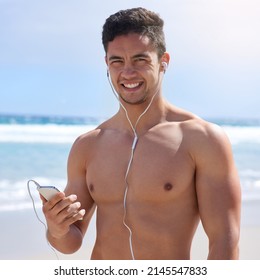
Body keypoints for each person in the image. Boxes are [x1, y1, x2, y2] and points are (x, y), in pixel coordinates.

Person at [41, 7, 241, 260]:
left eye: (140, 59)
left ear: (163, 61)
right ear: (107, 64)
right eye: (117, 61)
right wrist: (56, 229)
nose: (128, 72)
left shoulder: (201, 139)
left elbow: (225, 239)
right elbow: (69, 243)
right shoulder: (88, 145)